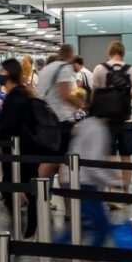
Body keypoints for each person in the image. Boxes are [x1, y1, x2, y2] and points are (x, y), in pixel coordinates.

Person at [53, 90, 124, 262]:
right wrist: (115, 182)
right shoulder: (98, 129)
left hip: (73, 178)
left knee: (80, 227)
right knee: (102, 226)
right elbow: (91, 164)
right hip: (82, 183)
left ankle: (46, 252)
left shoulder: (87, 124)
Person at [0, 58, 42, 240]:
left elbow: (10, 125)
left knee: (16, 188)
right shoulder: (23, 93)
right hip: (24, 149)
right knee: (23, 187)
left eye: (3, 71)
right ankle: (27, 224)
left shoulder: (16, 96)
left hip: (19, 151)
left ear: (10, 74)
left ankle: (29, 225)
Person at [91, 41, 132, 194]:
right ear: (123, 53)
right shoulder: (131, 70)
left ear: (109, 52)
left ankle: (111, 192)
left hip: (107, 121)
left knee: (110, 157)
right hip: (126, 120)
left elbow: (94, 95)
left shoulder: (99, 69)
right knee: (126, 158)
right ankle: (126, 192)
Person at [37, 46, 84, 177]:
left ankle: (42, 192)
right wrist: (81, 104)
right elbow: (65, 94)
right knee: (57, 160)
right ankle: (35, 189)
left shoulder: (47, 68)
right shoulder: (64, 68)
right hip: (60, 121)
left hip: (45, 120)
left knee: (54, 159)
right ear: (70, 56)